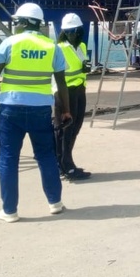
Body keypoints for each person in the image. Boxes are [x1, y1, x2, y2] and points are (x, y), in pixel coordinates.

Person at [0, 3, 71, 223]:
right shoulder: (52, 47)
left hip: (11, 111)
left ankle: (9, 211)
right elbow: (61, 83)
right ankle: (55, 203)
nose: (15, 25)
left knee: (8, 158)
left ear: (25, 22)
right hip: (40, 112)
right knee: (46, 156)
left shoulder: (9, 43)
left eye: (17, 21)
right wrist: (65, 110)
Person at [56, 13, 92, 181]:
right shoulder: (59, 48)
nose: (71, 34)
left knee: (75, 128)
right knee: (65, 130)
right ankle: (66, 166)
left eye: (73, 31)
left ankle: (65, 163)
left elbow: (82, 65)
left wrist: (86, 68)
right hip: (65, 92)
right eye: (68, 31)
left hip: (79, 90)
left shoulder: (82, 46)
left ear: (79, 31)